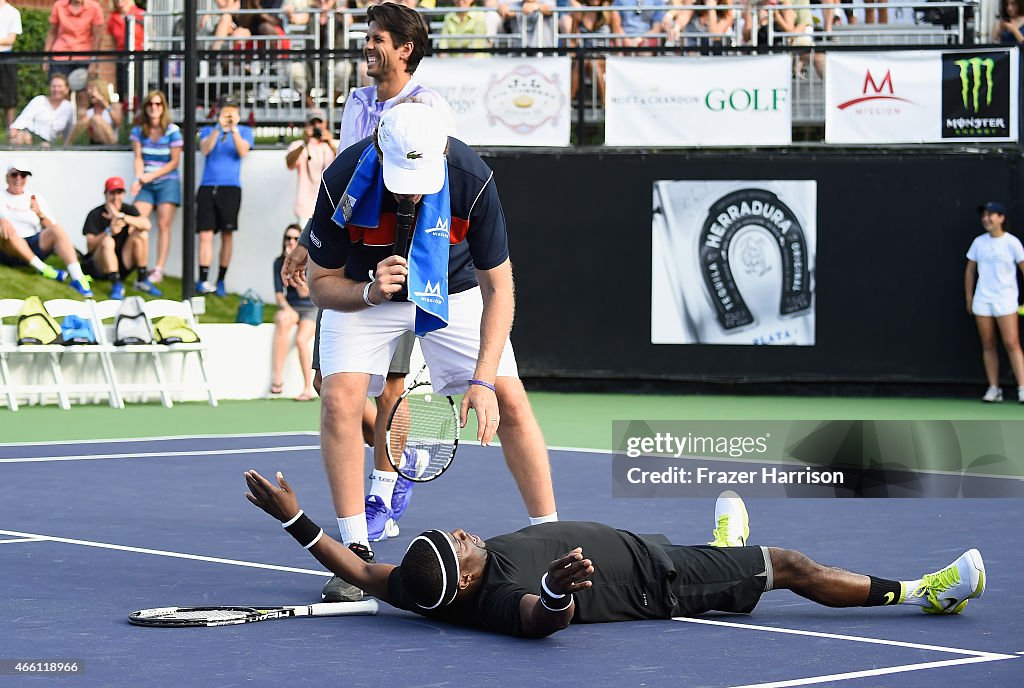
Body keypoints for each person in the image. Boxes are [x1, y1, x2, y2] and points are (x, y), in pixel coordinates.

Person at [303, 102, 558, 606]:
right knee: (339, 398)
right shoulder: (342, 180)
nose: (414, 189)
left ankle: (554, 540)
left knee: (510, 399)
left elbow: (499, 288)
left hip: (453, 288)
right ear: (379, 152)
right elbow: (318, 285)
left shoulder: (471, 177)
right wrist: (369, 294)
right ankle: (355, 552)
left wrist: (483, 381)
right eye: (403, 177)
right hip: (365, 288)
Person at [246, 473, 988, 638]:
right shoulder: (498, 601)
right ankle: (923, 591)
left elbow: (359, 569)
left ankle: (724, 554)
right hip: (657, 581)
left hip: (640, 551)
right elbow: (538, 622)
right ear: (469, 578)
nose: (465, 533)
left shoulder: (419, 587)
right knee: (785, 564)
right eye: (461, 544)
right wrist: (562, 593)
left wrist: (296, 520)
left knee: (728, 559)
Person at [281, 2, 459, 565]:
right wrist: (308, 245)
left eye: (379, 38)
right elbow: (342, 184)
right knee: (335, 387)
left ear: (405, 48)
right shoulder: (356, 102)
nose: (369, 45)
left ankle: (383, 493)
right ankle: (397, 462)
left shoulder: (428, 108)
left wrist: (404, 265)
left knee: (392, 388)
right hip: (354, 268)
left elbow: (433, 189)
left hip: (406, 269)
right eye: (368, 35)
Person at [0, 160, 93, 298]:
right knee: (10, 232)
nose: (19, 178)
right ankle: (45, 269)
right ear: (7, 176)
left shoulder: (35, 198)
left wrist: (39, 213)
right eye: (15, 174)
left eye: (23, 175)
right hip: (8, 247)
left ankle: (78, 278)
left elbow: (52, 228)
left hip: (33, 242)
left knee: (58, 228)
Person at [964, 201, 1024, 404]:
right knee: (988, 343)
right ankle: (994, 389)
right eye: (984, 215)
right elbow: (970, 271)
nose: (986, 219)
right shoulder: (979, 243)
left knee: (1011, 343)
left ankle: (1022, 388)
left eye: (991, 215)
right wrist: (970, 298)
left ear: (1001, 218)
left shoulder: (1012, 243)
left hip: (1006, 299)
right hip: (983, 299)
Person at [196, 96, 254, 297]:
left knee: (227, 235)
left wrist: (234, 129)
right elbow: (205, 149)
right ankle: (202, 280)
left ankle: (220, 280)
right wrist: (218, 128)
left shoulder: (245, 131)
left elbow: (243, 151)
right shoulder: (208, 130)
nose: (228, 115)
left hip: (230, 188)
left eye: (232, 110)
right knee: (205, 234)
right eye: (225, 111)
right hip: (207, 186)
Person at [130, 89, 182, 284]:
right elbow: (138, 158)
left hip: (167, 181)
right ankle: (137, 266)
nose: (154, 108)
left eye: (158, 104)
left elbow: (174, 162)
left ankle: (158, 269)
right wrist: (138, 179)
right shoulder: (139, 130)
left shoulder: (172, 130)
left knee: (163, 225)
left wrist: (149, 176)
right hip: (146, 182)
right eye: (151, 104)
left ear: (163, 107)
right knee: (137, 220)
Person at [80, 176, 159, 300]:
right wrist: (108, 231)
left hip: (123, 262)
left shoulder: (128, 210)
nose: (116, 197)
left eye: (119, 192)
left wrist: (121, 217)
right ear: (105, 194)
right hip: (99, 266)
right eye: (112, 193)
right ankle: (116, 284)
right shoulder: (95, 214)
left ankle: (142, 279)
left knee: (141, 234)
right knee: (108, 240)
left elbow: (147, 225)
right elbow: (90, 246)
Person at [272, 224, 318, 401]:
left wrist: (294, 271)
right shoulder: (278, 262)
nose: (291, 242)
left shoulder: (310, 261)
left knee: (301, 340)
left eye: (295, 238)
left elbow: (306, 292)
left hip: (311, 306)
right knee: (283, 321)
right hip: (292, 307)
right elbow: (278, 294)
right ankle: (277, 380)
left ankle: (307, 388)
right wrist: (287, 309)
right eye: (288, 238)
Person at [285, 110, 337, 228]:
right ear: (306, 125)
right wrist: (304, 143)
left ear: (325, 124)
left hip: (329, 206)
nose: (316, 127)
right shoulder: (299, 145)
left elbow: (345, 162)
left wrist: (329, 142)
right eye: (312, 123)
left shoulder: (333, 144)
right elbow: (289, 163)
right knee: (304, 244)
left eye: (319, 123)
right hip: (305, 207)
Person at [8, 73, 74, 147]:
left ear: (67, 89)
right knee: (21, 139)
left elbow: (70, 131)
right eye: (54, 86)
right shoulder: (39, 100)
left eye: (60, 86)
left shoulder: (69, 107)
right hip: (30, 135)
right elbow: (23, 119)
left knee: (45, 146)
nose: (56, 89)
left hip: (49, 143)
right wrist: (15, 133)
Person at [44, 0, 104, 80]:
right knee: (59, 88)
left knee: (82, 91)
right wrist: (46, 57)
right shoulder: (58, 5)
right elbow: (52, 33)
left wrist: (94, 62)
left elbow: (98, 37)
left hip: (84, 58)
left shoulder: (94, 7)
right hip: (60, 56)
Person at [106, 0, 145, 105]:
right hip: (121, 59)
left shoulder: (141, 14)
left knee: (138, 90)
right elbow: (113, 41)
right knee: (123, 91)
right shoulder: (113, 18)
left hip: (139, 58)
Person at [67, 78, 122, 145]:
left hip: (112, 143)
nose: (89, 92)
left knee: (96, 119)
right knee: (84, 120)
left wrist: (104, 103)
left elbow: (118, 123)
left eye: (92, 89)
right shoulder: (89, 111)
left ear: (101, 90)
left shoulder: (114, 106)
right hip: (94, 144)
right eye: (88, 90)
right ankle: (67, 146)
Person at [0, 0, 22, 130]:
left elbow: (10, 40)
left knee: (9, 99)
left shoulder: (13, 12)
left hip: (6, 58)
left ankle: (11, 136)